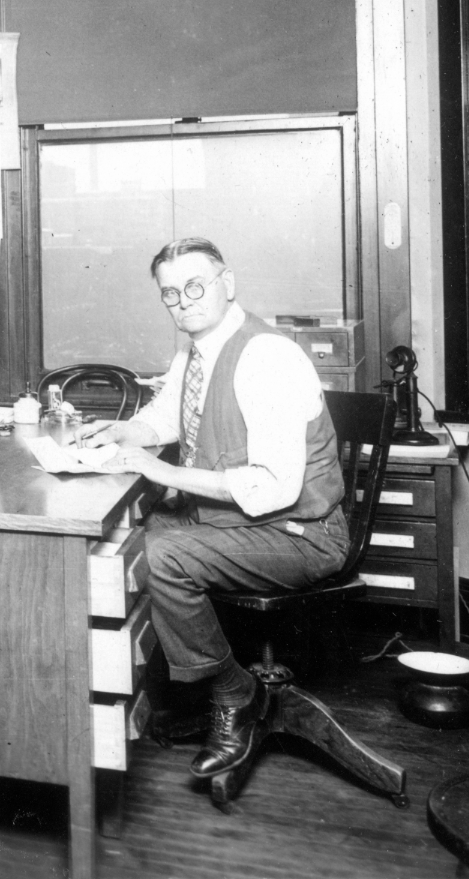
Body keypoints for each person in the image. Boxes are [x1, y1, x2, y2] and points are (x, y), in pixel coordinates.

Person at [79, 237, 348, 779]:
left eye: (195, 286)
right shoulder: (195, 351)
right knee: (124, 543)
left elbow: (274, 487)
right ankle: (158, 694)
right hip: (237, 523)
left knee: (157, 555)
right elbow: (165, 418)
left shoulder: (266, 356)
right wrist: (122, 430)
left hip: (302, 532)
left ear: (228, 284)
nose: (184, 301)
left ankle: (233, 693)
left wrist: (166, 472)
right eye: (170, 293)